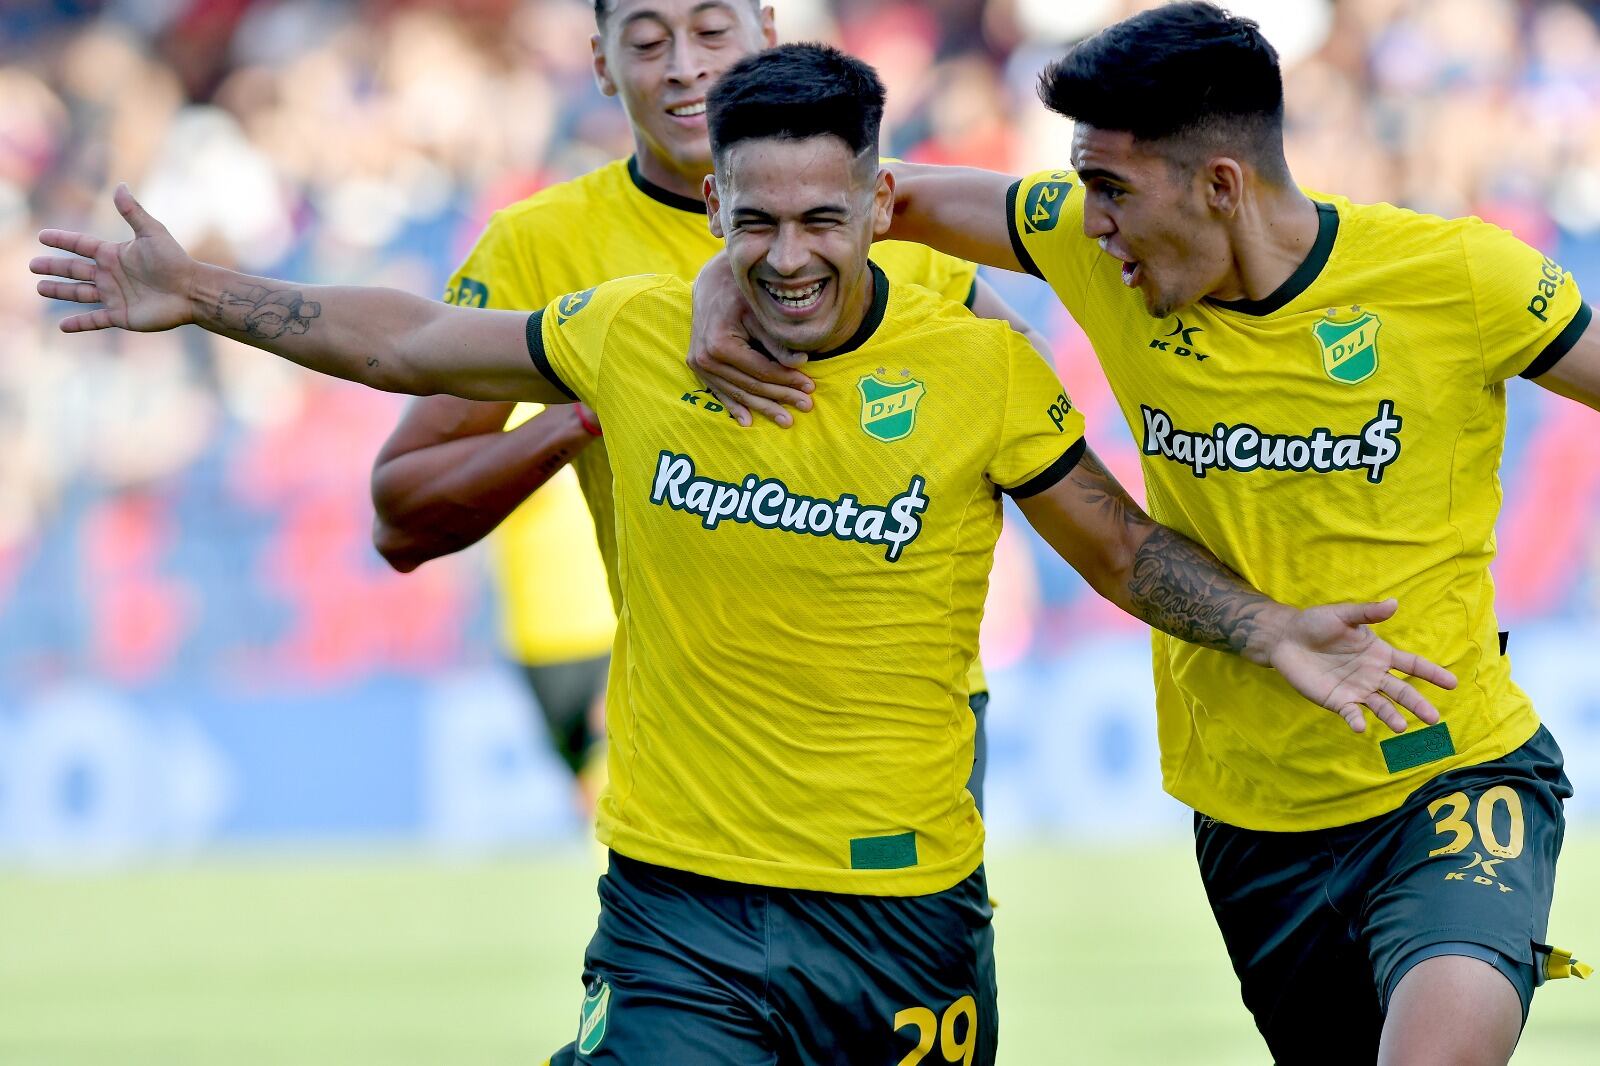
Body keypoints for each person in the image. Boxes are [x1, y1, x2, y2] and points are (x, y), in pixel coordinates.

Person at [34, 43, 1458, 1066]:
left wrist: (1268, 627)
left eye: (823, 219)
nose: (788, 256)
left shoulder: (977, 369)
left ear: (880, 205)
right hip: (677, 906)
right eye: (756, 221)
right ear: (712, 209)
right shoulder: (633, 328)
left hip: (903, 918)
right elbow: (406, 341)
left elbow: (1122, 549)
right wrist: (200, 292)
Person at [685, 7, 1597, 1063]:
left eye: (1111, 189)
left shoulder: (1458, 278)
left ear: (1221, 185)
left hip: (1451, 776)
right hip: (1251, 820)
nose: (1091, 222)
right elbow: (867, 199)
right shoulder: (1090, 245)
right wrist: (720, 280)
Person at [370, 0, 1041, 814]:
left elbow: (1037, 411)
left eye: (712, 31)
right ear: (601, 63)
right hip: (692, 750)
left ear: (767, 33)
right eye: (648, 41)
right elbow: (403, 518)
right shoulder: (538, 244)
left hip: (903, 730)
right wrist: (595, 403)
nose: (685, 66)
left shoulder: (884, 206)